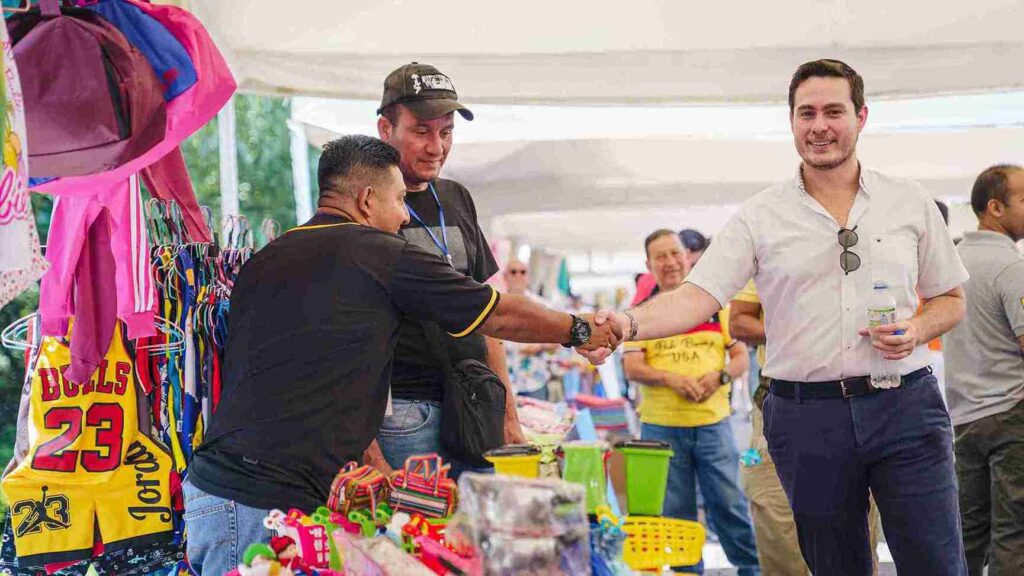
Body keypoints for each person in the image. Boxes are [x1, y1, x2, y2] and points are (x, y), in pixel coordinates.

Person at [586, 59, 969, 575]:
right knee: (835, 566)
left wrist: (918, 328)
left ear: (861, 117)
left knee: (936, 562)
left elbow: (951, 298)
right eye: (806, 113)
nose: (819, 126)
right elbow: (700, 295)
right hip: (808, 417)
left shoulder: (909, 201)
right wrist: (625, 325)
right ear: (791, 122)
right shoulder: (760, 216)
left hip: (904, 406)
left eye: (834, 111)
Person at [183, 135, 621, 575]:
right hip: (263, 504)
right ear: (368, 199)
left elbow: (312, 374)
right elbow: (498, 313)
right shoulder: (380, 254)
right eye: (399, 200)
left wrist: (373, 462)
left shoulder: (265, 260)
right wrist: (578, 328)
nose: (406, 215)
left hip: (218, 493)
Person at [366, 62, 525, 477]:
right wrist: (370, 452)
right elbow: (347, 335)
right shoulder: (363, 204)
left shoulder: (456, 197)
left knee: (473, 536)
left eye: (446, 131)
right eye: (421, 131)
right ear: (386, 129)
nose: (436, 146)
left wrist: (509, 412)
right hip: (404, 412)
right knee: (413, 537)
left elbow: (488, 314)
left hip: (475, 402)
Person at [623, 229, 759, 575]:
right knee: (677, 512)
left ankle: (751, 569)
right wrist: (672, 379)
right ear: (649, 265)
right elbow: (632, 366)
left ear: (688, 256)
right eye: (660, 257)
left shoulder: (717, 307)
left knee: (729, 505)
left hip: (713, 424)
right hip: (661, 429)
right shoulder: (640, 313)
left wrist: (720, 377)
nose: (670, 262)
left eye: (675, 253)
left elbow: (741, 358)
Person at [731, 280, 881, 575]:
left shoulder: (865, 251)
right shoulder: (772, 248)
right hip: (781, 401)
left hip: (858, 401)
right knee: (777, 523)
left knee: (856, 532)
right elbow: (738, 322)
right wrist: (800, 334)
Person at [944, 164, 1024, 576]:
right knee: (1014, 536)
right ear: (995, 207)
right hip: (1012, 417)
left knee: (968, 536)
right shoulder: (1012, 268)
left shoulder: (953, 262)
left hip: (964, 419)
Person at [502, 259, 565, 401]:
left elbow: (559, 339)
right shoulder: (497, 305)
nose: (518, 276)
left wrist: (539, 346)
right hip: (505, 382)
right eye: (513, 272)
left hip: (535, 381)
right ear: (505, 276)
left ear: (528, 276)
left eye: (522, 272)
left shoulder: (542, 306)